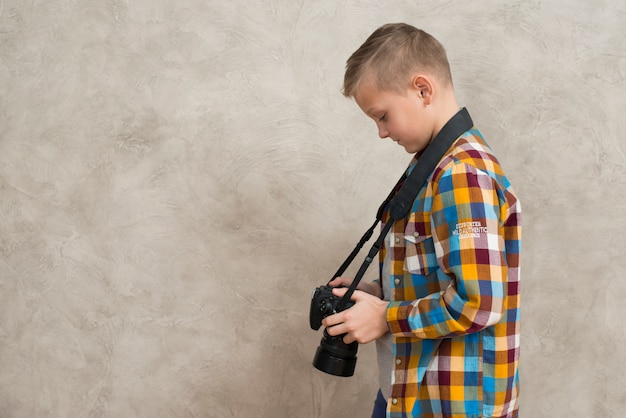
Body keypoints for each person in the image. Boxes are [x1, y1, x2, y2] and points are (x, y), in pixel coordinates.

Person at [321, 23, 521, 417]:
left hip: (451, 404)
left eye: (382, 116)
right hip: (410, 391)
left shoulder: (461, 175)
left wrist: (385, 317)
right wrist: (376, 291)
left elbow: (479, 301)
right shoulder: (431, 168)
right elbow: (438, 273)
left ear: (422, 90)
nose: (380, 133)